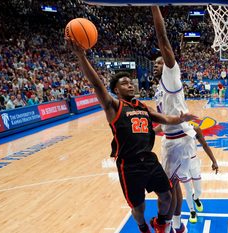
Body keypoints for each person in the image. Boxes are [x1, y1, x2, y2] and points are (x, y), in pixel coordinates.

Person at [66, 39, 198, 233]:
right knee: (138, 207)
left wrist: (180, 118)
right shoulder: (114, 106)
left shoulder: (142, 107)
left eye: (130, 82)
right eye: (124, 83)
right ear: (116, 90)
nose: (129, 85)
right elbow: (96, 84)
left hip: (150, 160)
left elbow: (164, 119)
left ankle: (161, 223)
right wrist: (81, 56)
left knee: (167, 195)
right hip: (129, 165)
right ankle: (143, 227)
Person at [152, 6, 197, 233]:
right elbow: (162, 121)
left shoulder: (171, 76)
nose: (156, 64)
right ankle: (178, 226)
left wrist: (153, 5)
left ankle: (169, 226)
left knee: (167, 189)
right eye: (156, 63)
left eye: (160, 62)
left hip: (178, 140)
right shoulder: (158, 89)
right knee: (174, 184)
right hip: (171, 139)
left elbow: (163, 38)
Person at [154, 125, 219, 223]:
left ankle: (196, 198)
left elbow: (205, 145)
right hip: (181, 164)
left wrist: (214, 161)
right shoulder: (169, 132)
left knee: (198, 190)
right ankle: (192, 211)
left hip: (193, 162)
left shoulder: (194, 129)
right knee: (188, 190)